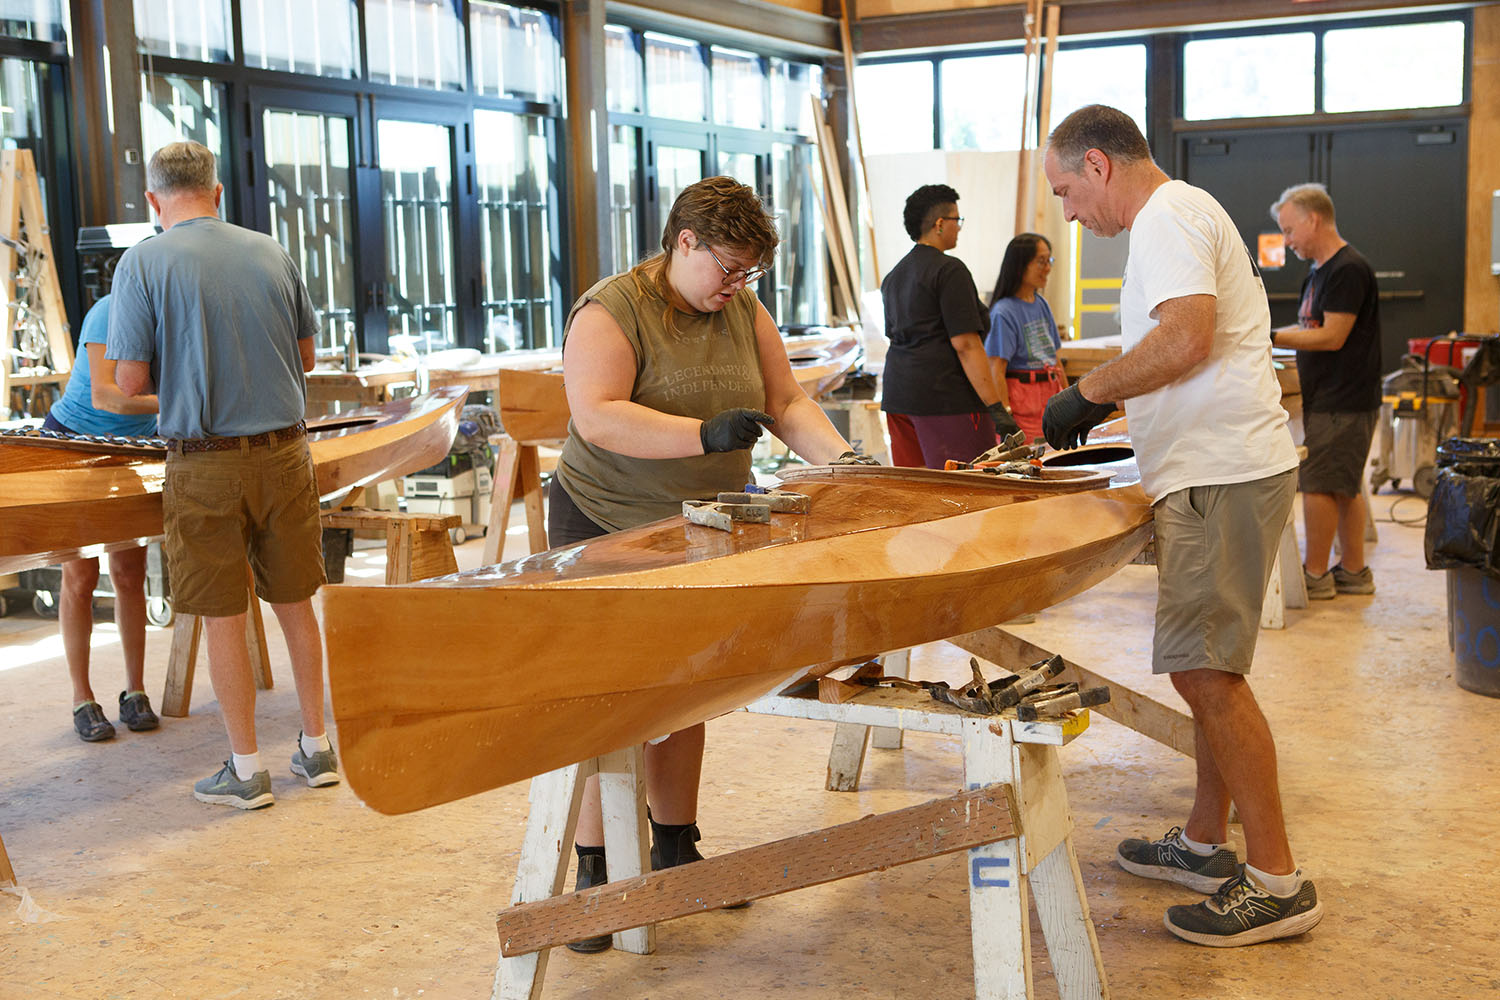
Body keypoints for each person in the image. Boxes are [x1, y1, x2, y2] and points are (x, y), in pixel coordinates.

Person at [550, 175, 869, 953]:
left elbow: (787, 401)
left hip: (699, 525)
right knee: (612, 697)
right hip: (607, 522)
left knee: (688, 690)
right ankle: (595, 868)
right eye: (726, 269)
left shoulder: (740, 308)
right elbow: (598, 416)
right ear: (683, 242)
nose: (736, 286)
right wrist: (705, 435)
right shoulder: (610, 310)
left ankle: (675, 844)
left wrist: (848, 464)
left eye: (749, 274)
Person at [1041, 105, 1323, 947]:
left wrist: (1089, 394)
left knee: (1207, 675)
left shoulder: (1164, 216)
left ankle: (1277, 880)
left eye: (1064, 190)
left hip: (1222, 473)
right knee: (1212, 667)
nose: (1067, 213)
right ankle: (1205, 843)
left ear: (1098, 165)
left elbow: (1188, 338)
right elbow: (1189, 348)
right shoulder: (1182, 212)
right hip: (1218, 467)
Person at [104, 140, 338, 809]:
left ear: (153, 200)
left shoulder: (144, 262)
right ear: (218, 190)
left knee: (223, 616)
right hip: (286, 455)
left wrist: (190, 381)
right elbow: (307, 357)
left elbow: (129, 381)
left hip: (203, 463)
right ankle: (317, 749)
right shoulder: (271, 251)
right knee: (296, 606)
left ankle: (245, 769)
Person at [45, 293, 162, 742]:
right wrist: (175, 401)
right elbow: (105, 395)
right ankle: (82, 699)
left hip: (133, 449)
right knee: (80, 577)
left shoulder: (173, 315)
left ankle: (135, 691)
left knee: (131, 574)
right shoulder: (109, 311)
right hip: (75, 443)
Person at [1270, 183, 1381, 600]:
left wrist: (1271, 336)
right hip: (1333, 397)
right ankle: (1353, 570)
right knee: (1343, 486)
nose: (1287, 241)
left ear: (1313, 219)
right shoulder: (1320, 273)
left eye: (1289, 229)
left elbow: (1333, 336)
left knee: (1318, 485)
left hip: (1344, 399)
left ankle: (1315, 575)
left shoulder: (1347, 269)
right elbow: (1311, 329)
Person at [880, 184, 1019, 468]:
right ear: (940, 224)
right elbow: (966, 345)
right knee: (966, 491)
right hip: (945, 399)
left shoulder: (894, 276)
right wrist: (996, 408)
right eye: (958, 220)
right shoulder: (950, 270)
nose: (960, 227)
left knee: (917, 493)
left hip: (898, 396)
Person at [985, 233, 1069, 442]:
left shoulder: (1041, 304)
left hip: (1050, 396)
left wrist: (1070, 400)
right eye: (1041, 261)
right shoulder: (1003, 312)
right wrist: (1005, 416)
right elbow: (996, 369)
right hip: (1023, 401)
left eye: (1049, 260)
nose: (1047, 268)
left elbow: (1054, 359)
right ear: (1020, 265)